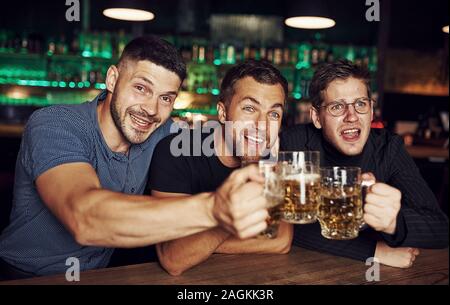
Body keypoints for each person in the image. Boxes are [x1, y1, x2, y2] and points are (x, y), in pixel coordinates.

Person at [0, 36, 269, 279]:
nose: (151, 109)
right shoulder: (55, 123)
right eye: (141, 88)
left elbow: (218, 141)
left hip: (102, 275)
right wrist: (214, 209)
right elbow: (84, 217)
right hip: (25, 275)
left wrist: (253, 147)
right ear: (113, 79)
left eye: (166, 98)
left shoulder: (163, 131)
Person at [280, 59, 449, 268]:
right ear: (316, 117)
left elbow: (441, 228)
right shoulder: (293, 145)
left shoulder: (389, 148)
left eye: (360, 104)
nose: (351, 117)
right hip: (302, 270)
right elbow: (284, 225)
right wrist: (374, 252)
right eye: (337, 107)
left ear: (371, 110)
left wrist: (394, 223)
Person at [148, 60, 293, 276]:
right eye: (250, 108)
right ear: (223, 113)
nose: (262, 125)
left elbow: (281, 241)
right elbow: (173, 257)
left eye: (273, 114)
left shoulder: (271, 159)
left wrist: (198, 245)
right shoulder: (176, 151)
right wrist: (233, 212)